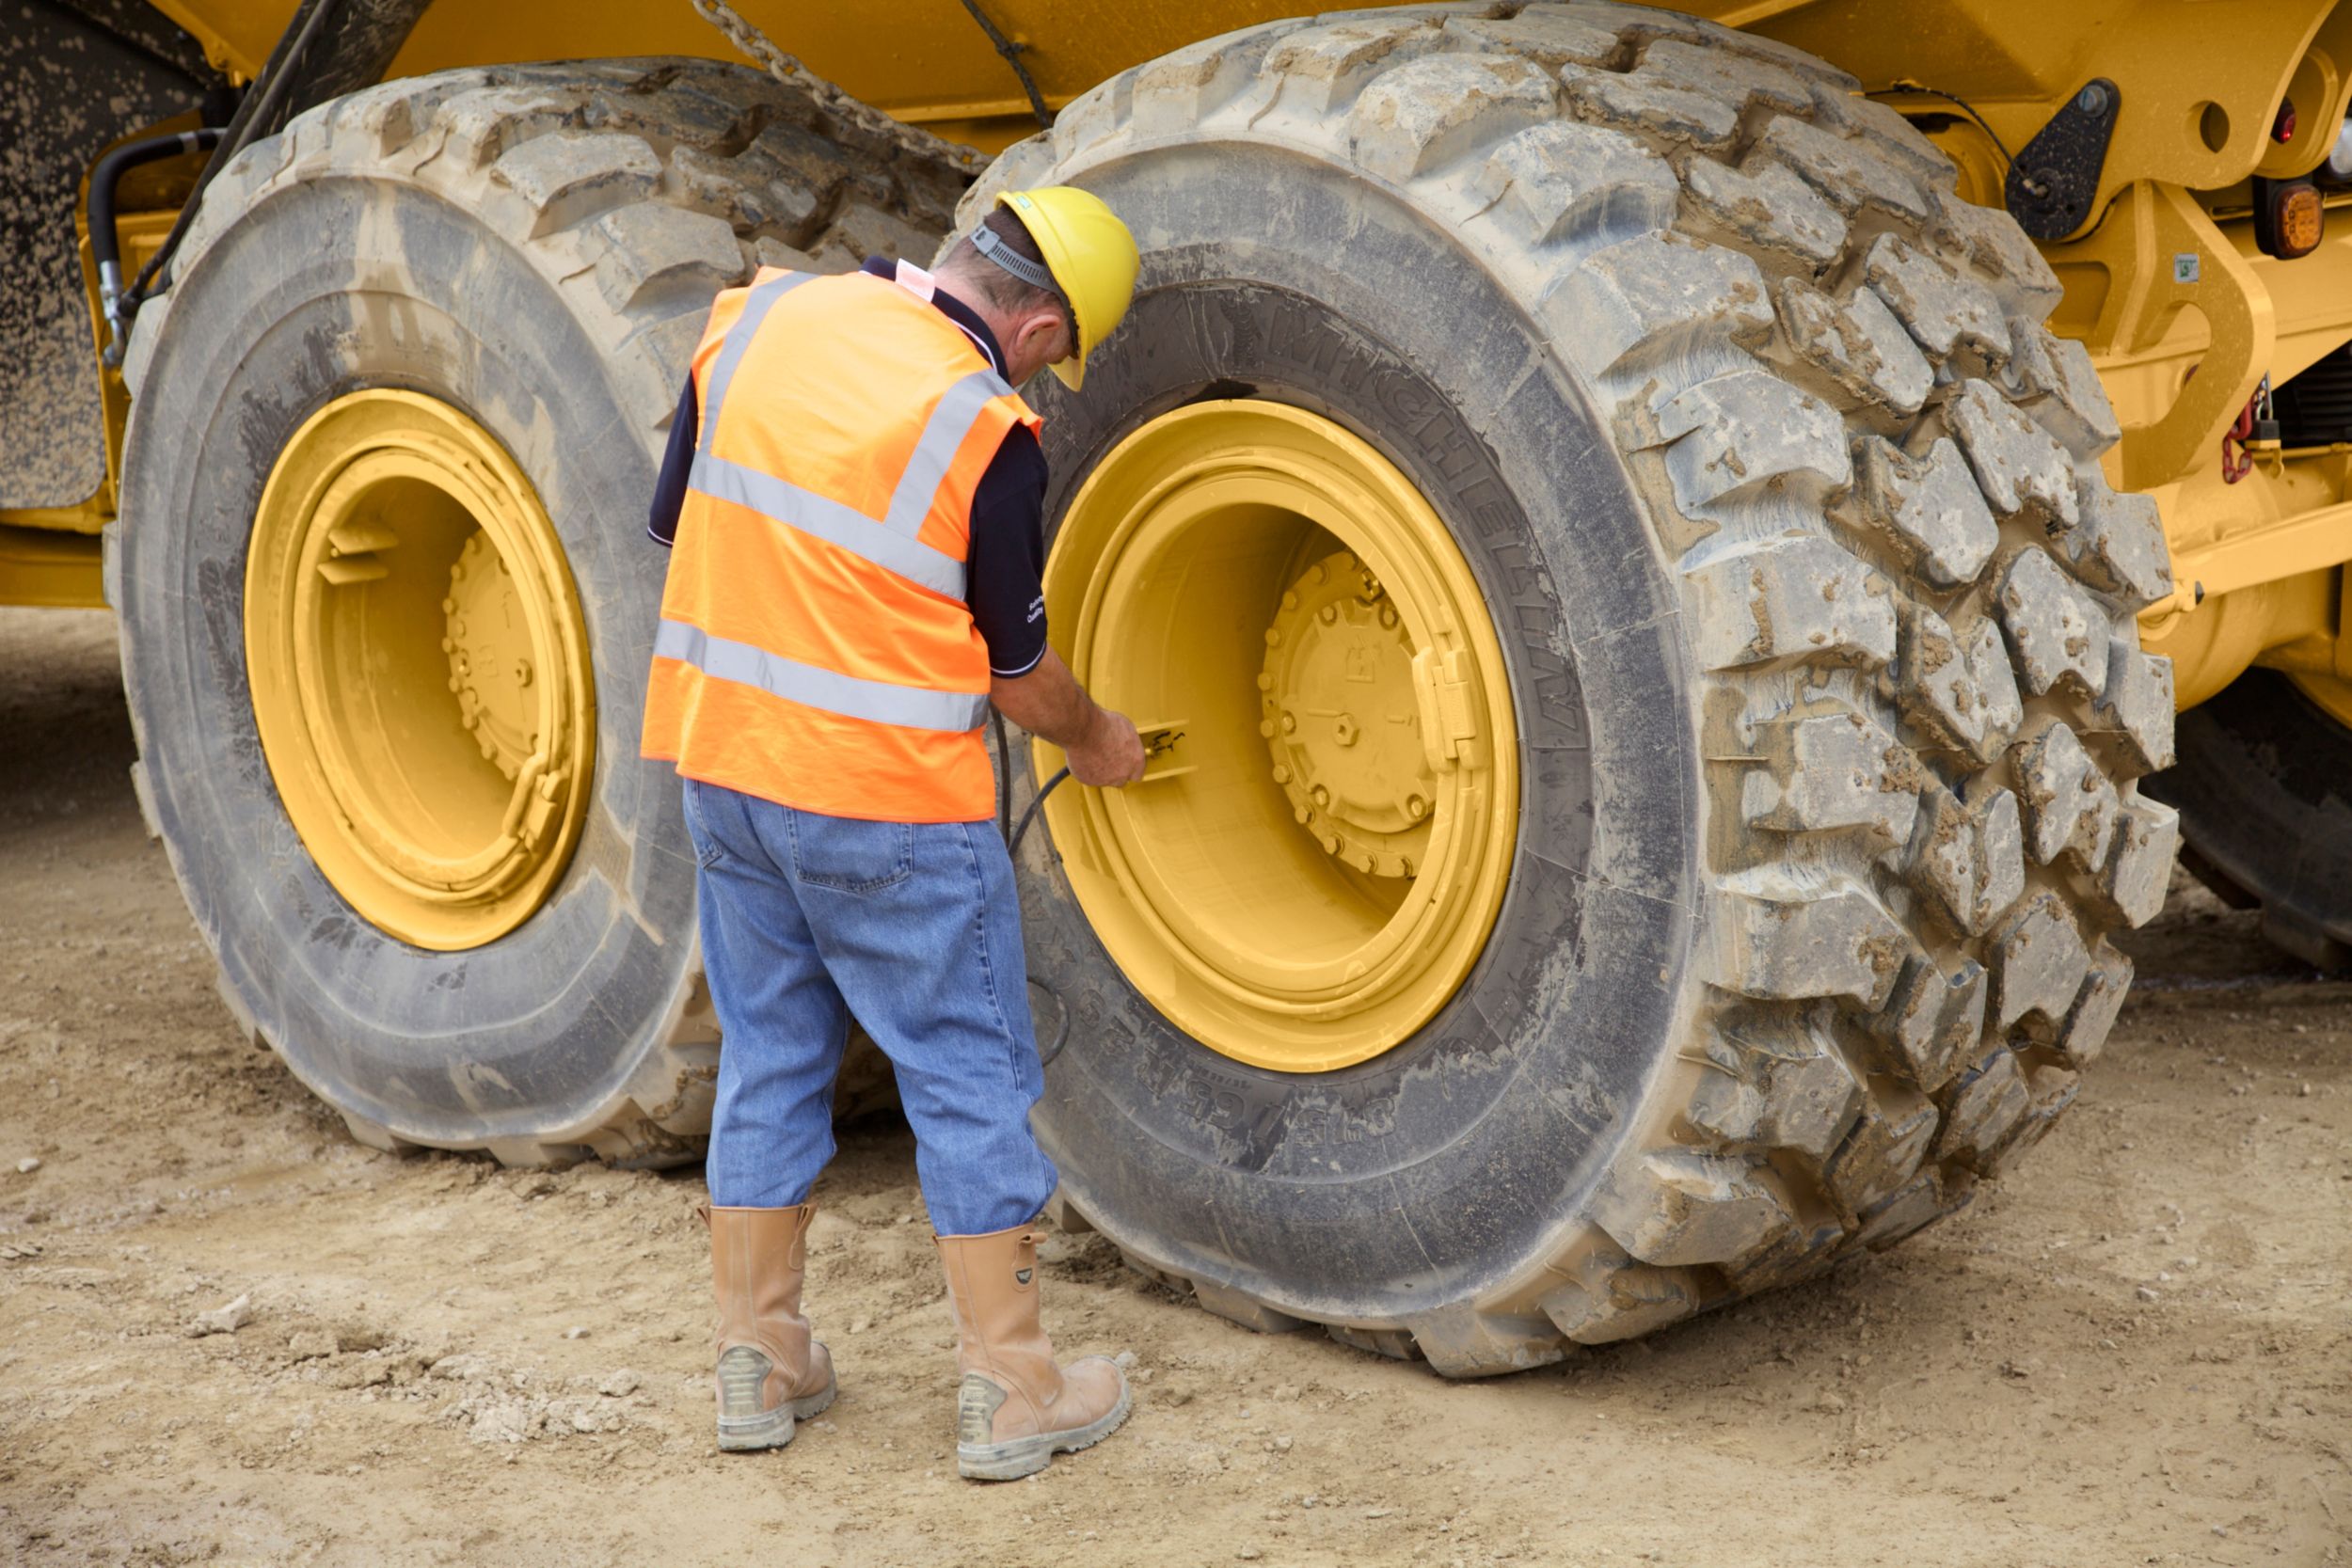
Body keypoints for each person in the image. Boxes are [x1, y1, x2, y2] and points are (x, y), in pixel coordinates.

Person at [639, 186, 1146, 1481]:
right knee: (966, 1076)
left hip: (730, 776)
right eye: (1057, 355)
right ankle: (1014, 1389)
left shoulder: (753, 320)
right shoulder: (990, 430)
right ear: (1036, 327)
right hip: (887, 806)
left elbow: (677, 524)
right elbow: (1017, 677)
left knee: (769, 1056)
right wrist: (1095, 738)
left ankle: (760, 1359)